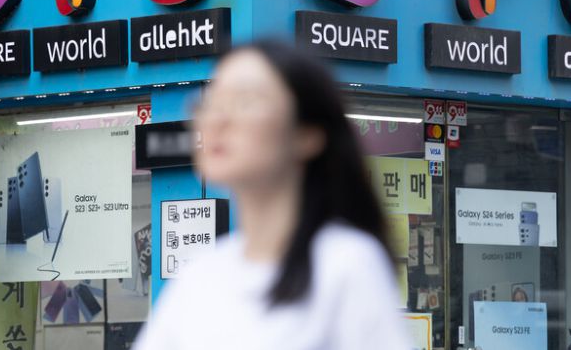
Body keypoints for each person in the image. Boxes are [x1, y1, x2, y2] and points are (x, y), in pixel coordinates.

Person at [131, 41, 410, 349]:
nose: (217, 120)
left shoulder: (344, 266)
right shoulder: (200, 277)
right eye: (211, 103)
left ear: (308, 133)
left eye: (245, 101)